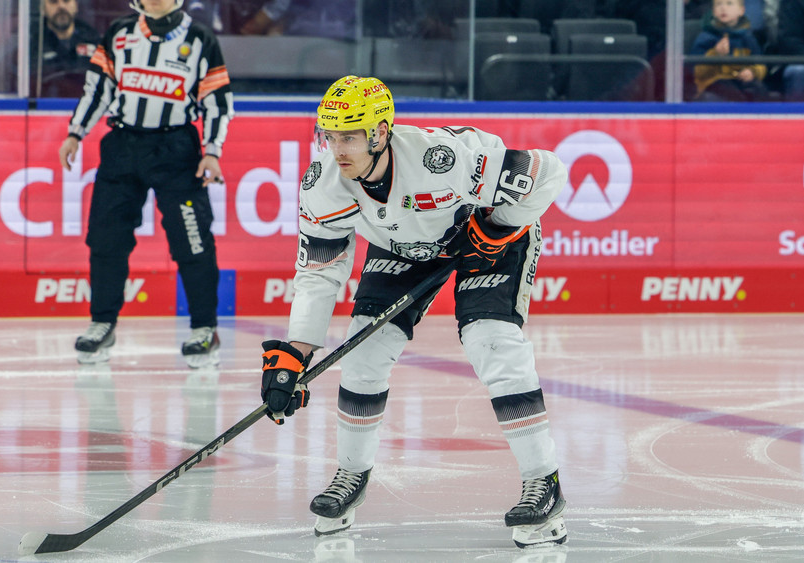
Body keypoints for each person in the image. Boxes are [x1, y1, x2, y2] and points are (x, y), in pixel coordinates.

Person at [258, 75, 569, 548]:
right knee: (363, 354)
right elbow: (320, 273)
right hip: (403, 248)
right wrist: (293, 354)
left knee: (492, 343)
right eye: (330, 135)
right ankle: (351, 475)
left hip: (488, 242)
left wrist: (497, 227)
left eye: (349, 136)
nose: (337, 149)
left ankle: (543, 483)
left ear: (380, 133)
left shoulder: (441, 158)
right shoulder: (323, 183)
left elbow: (548, 171)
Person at [57, 0, 234, 368]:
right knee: (106, 238)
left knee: (193, 239)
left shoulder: (200, 38)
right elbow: (97, 88)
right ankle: (102, 323)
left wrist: (212, 151)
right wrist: (75, 133)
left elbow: (217, 100)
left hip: (176, 149)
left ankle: (204, 329)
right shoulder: (120, 33)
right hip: (122, 145)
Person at [691, 0, 769, 101]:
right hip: (713, 87)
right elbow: (697, 72)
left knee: (759, 90)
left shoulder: (748, 37)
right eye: (718, 4)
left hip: (741, 86)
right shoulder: (705, 38)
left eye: (729, 3)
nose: (723, 8)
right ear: (714, 11)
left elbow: (760, 65)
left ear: (741, 10)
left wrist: (752, 72)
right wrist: (715, 55)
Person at [33, 0, 101, 97]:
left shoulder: (95, 42)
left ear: (76, 6)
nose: (61, 6)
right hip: (47, 107)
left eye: (66, 1)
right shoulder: (33, 44)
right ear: (42, 8)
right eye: (53, 2)